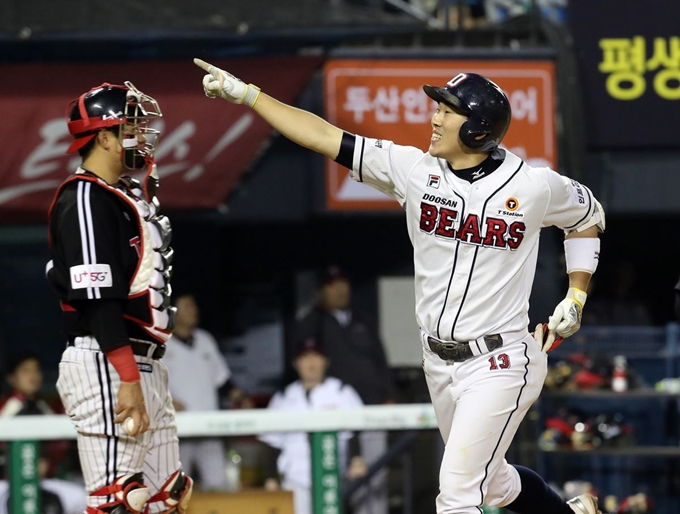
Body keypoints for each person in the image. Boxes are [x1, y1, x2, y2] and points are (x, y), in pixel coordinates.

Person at [193, 59, 606, 514]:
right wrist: (250, 96)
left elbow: (588, 217)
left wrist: (576, 292)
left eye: (448, 112)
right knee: (492, 483)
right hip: (439, 360)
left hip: (500, 359)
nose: (435, 118)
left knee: (457, 494)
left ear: (478, 129)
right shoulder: (415, 170)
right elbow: (323, 136)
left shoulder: (534, 186)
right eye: (438, 109)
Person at [46, 82, 193, 514]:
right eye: (131, 127)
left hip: (142, 361)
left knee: (167, 498)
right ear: (105, 137)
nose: (142, 135)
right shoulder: (85, 197)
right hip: (106, 360)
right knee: (119, 502)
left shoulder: (125, 194)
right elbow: (97, 297)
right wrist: (127, 376)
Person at [291, 265, 395, 514]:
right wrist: (319, 311)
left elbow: (381, 360)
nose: (339, 290)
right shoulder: (313, 322)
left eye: (343, 284)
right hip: (335, 413)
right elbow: (301, 358)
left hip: (370, 410)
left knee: (375, 476)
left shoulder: (363, 319)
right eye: (332, 286)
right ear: (321, 291)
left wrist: (389, 395)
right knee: (338, 481)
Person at [259, 338, 367, 514]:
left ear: (326, 361)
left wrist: (356, 460)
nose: (311, 362)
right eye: (305, 358)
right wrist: (270, 478)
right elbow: (272, 442)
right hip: (295, 479)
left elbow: (354, 433)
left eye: (316, 357)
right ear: (296, 363)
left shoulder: (341, 391)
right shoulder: (284, 397)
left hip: (332, 477)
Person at [163, 293, 250, 491]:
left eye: (194, 306)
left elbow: (223, 380)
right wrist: (166, 400)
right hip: (177, 429)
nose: (194, 310)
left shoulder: (205, 340)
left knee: (219, 484)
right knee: (172, 488)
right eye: (187, 306)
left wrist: (242, 398)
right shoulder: (162, 344)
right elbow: (148, 384)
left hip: (209, 425)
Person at [0, 352, 85, 514]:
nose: (32, 376)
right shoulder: (6, 406)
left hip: (46, 482)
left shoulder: (46, 407)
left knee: (80, 498)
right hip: (6, 482)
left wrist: (46, 461)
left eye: (36, 370)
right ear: (12, 378)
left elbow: (62, 446)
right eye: (25, 371)